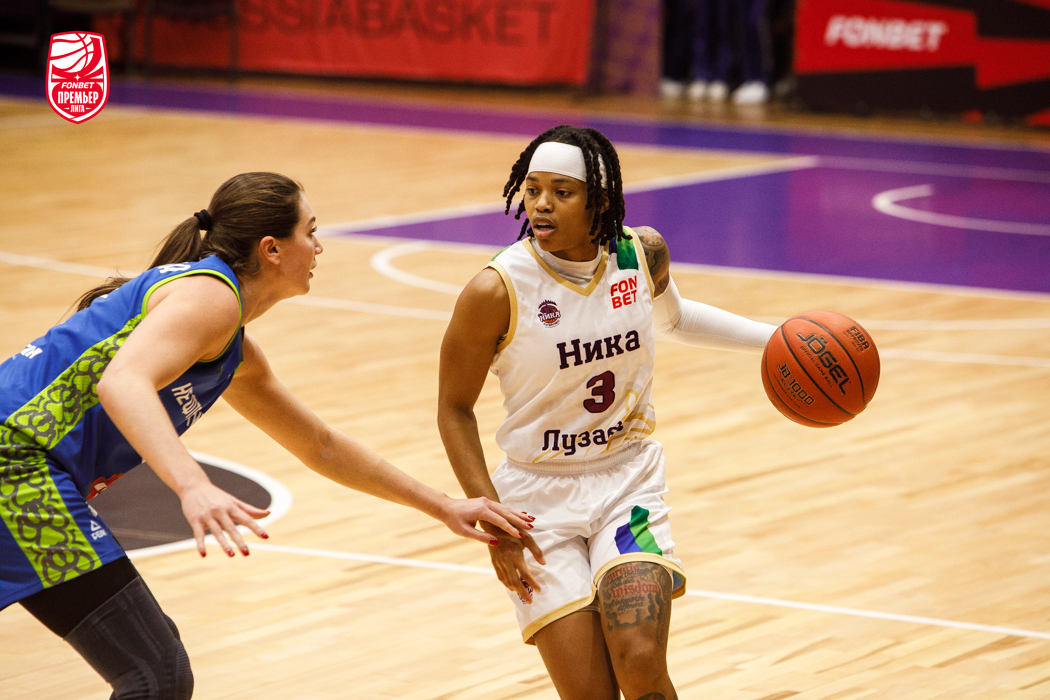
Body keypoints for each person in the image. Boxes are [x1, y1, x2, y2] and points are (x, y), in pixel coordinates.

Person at [0, 172, 534, 700]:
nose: (319, 246)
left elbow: (320, 445)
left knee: (155, 668)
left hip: (21, 469)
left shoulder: (231, 346)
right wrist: (192, 485)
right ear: (272, 248)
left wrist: (442, 506)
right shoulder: (211, 297)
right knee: (156, 673)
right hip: (16, 465)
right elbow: (123, 382)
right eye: (310, 231)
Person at [438, 126, 776, 699]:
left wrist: (777, 338)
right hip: (536, 501)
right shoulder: (495, 290)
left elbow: (675, 319)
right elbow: (453, 409)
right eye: (533, 189)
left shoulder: (638, 253)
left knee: (640, 660)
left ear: (598, 200)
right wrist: (497, 527)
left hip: (626, 482)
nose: (541, 204)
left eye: (561, 192)